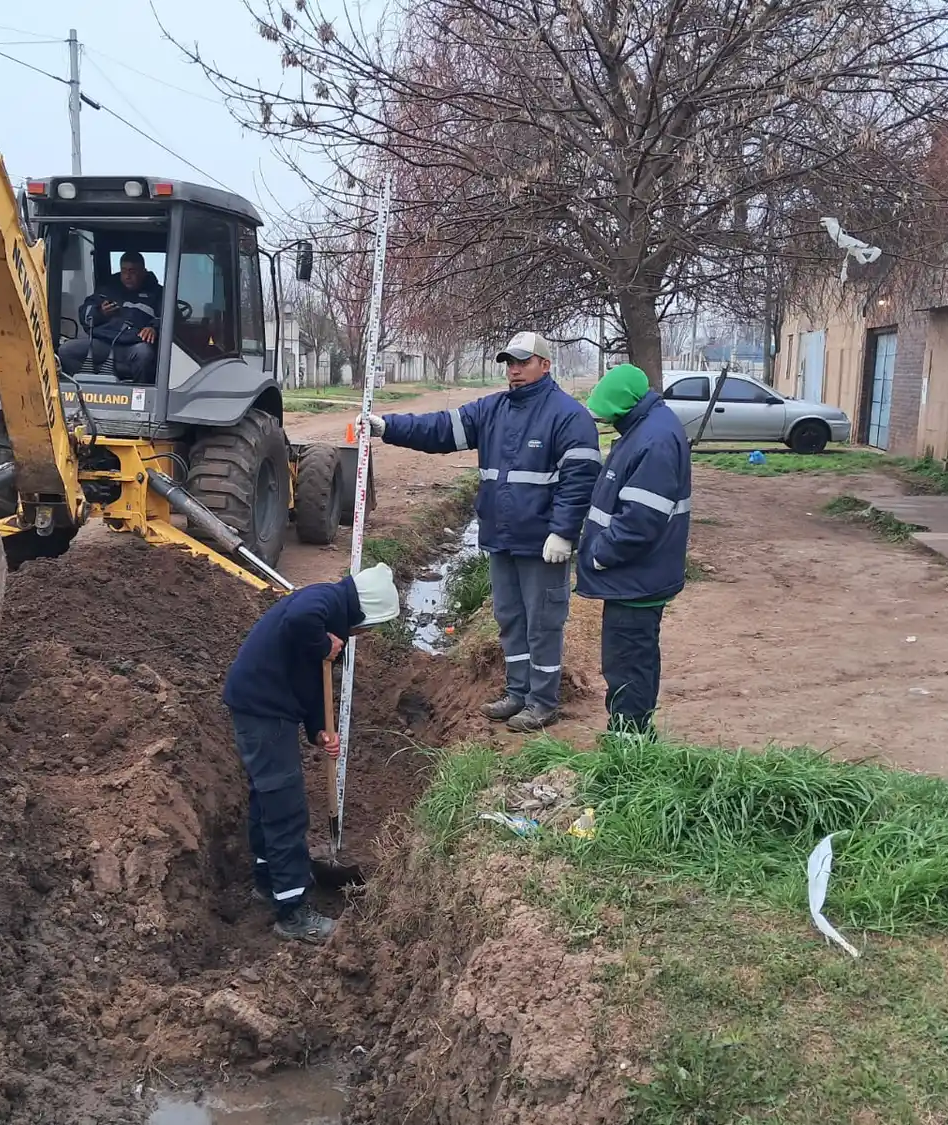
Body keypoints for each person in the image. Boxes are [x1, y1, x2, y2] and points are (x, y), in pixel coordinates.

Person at [358, 331, 600, 732]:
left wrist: (563, 532)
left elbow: (580, 480)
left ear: (545, 365)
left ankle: (543, 702)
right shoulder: (492, 410)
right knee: (510, 618)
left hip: (541, 545)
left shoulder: (567, 416)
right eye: (509, 363)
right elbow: (438, 429)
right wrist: (388, 427)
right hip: (500, 539)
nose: (515, 370)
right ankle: (518, 692)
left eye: (523, 362)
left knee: (543, 623)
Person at [221, 563, 401, 945]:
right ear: (362, 613)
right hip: (264, 713)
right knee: (285, 810)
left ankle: (269, 885)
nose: (361, 635)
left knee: (266, 801)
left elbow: (307, 680)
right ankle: (293, 915)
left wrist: (320, 730)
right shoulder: (322, 601)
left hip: (264, 706)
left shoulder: (329, 615)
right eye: (365, 629)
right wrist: (325, 645)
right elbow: (302, 620)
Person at [575, 363, 692, 736]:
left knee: (628, 662)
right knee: (633, 659)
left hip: (635, 578)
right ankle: (631, 730)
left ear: (623, 406)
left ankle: (629, 741)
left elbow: (640, 521)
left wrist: (599, 554)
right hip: (638, 577)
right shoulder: (647, 428)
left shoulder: (653, 441)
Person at [57, 251, 162, 382]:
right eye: (124, 271)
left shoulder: (158, 293)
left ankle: (139, 395)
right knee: (66, 351)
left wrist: (154, 328)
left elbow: (172, 319)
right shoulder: (107, 289)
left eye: (132, 271)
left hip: (133, 346)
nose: (128, 276)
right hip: (102, 343)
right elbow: (85, 313)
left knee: (144, 354)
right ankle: (89, 386)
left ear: (143, 272)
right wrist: (100, 312)